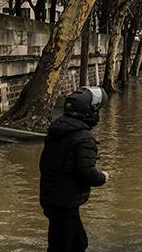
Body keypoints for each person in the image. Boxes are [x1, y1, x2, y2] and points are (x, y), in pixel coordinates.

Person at [39, 86, 110, 252]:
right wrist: (102, 177)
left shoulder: (57, 130)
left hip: (51, 195)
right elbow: (85, 172)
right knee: (60, 247)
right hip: (66, 201)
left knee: (79, 244)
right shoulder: (84, 137)